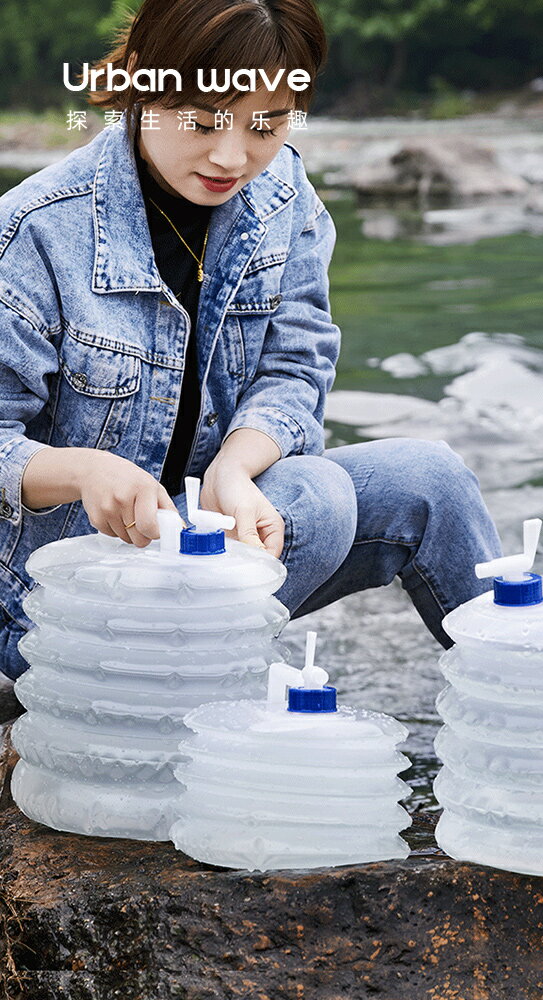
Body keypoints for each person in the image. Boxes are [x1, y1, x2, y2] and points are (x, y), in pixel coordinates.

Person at [0, 0, 501, 682]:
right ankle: (155, 708)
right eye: (203, 124)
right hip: (53, 598)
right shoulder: (36, 230)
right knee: (316, 502)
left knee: (427, 480)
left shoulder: (281, 195)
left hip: (198, 545)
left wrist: (233, 473)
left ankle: (530, 710)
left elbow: (296, 367)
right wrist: (84, 472)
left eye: (266, 125)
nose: (232, 156)